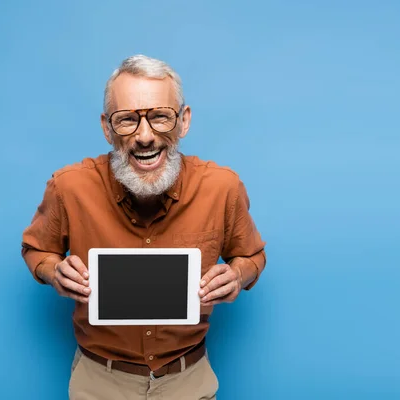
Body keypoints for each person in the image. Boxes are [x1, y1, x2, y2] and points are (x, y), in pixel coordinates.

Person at [21, 54, 266, 399]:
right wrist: (53, 270)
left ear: (183, 122)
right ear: (107, 128)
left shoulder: (222, 188)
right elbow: (36, 248)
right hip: (99, 382)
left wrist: (237, 275)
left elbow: (252, 256)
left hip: (188, 381)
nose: (145, 136)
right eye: (127, 121)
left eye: (160, 117)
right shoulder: (68, 187)